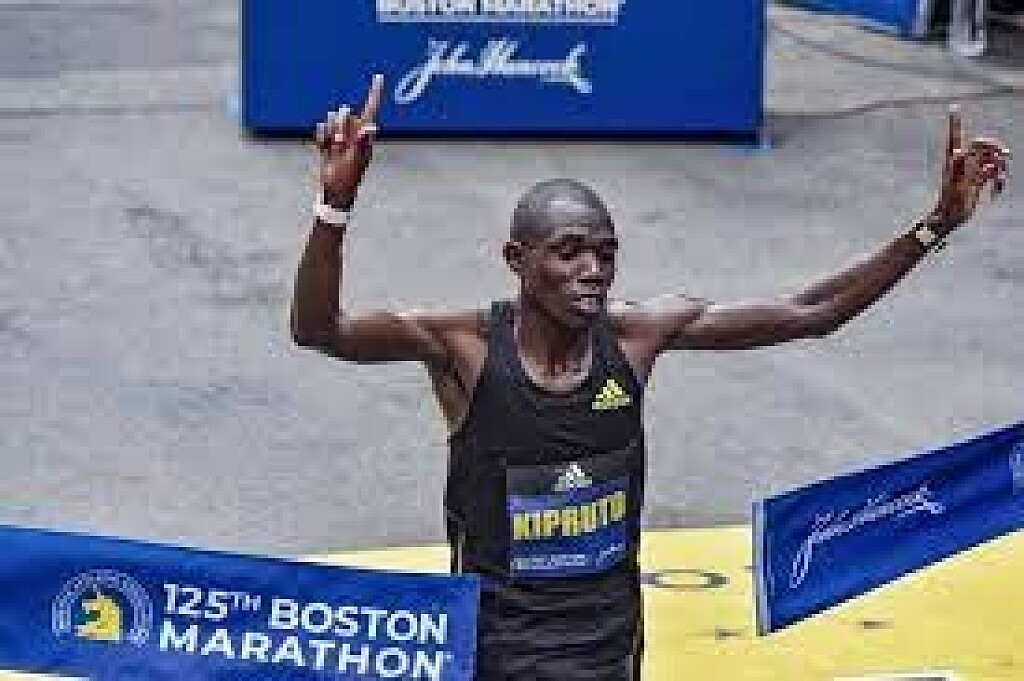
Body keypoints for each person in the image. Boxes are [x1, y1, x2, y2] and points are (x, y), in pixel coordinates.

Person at [289, 75, 1010, 680]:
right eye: (569, 251)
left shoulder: (634, 336)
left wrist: (935, 225)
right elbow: (319, 329)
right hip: (494, 656)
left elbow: (810, 312)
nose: (592, 270)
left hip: (611, 651)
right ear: (517, 259)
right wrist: (334, 206)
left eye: (605, 253)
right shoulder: (464, 347)